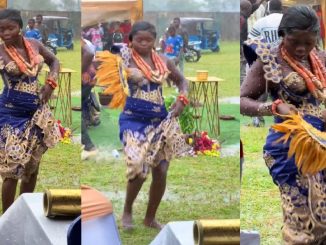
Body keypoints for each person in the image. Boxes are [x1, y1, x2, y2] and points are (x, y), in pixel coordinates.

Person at [241, 6, 326, 243]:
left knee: (323, 223)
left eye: (308, 42)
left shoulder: (321, 59)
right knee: (302, 225)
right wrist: (272, 108)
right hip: (289, 148)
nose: (301, 48)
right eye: (294, 41)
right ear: (282, 34)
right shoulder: (269, 59)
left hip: (322, 146)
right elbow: (242, 100)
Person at [101, 21, 191, 230]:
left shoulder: (164, 61)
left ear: (155, 41)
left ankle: (150, 218)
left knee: (161, 170)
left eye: (148, 40)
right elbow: (107, 66)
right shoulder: (123, 58)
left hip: (160, 120)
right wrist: (126, 73)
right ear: (131, 40)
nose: (143, 44)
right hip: (133, 119)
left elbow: (183, 82)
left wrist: (181, 100)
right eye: (139, 40)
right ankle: (127, 210)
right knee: (137, 166)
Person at [0, 9, 61, 212]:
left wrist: (50, 83)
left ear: (20, 27)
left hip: (37, 114)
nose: (6, 33)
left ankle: (23, 213)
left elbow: (54, 61)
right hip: (11, 115)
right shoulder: (0, 51)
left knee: (31, 168)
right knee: (12, 169)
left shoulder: (35, 45)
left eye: (10, 28)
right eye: (1, 29)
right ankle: (7, 220)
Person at [248, 0, 283, 127]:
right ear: (282, 9)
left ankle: (258, 118)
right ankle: (284, 118)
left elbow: (251, 41)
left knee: (261, 91)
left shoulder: (261, 22)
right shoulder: (288, 20)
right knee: (284, 91)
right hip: (285, 62)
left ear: (268, 9)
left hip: (265, 60)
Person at [81, 38, 98, 160]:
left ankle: (88, 146)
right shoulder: (84, 41)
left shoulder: (83, 42)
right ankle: (87, 145)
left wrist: (81, 70)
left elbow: (90, 54)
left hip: (85, 78)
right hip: (89, 78)